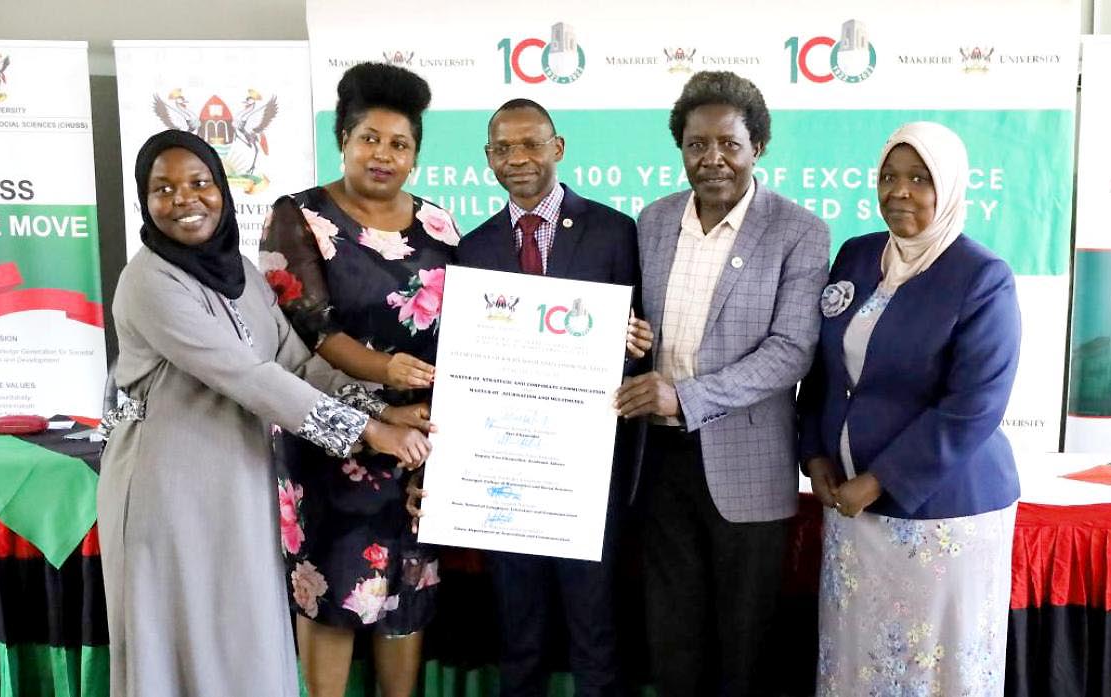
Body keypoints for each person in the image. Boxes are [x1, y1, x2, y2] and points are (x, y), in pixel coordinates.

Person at [98, 129, 430, 697]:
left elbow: (297, 363)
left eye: (200, 182)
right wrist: (369, 432)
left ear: (222, 190)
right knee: (181, 645)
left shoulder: (241, 275)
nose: (185, 198)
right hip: (169, 492)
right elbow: (248, 377)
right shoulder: (149, 281)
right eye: (164, 188)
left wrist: (384, 412)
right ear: (145, 201)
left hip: (240, 479)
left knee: (242, 639)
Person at [422, 98, 650, 697]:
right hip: (505, 473)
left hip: (585, 473)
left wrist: (634, 341)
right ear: (488, 159)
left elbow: (641, 342)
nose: (518, 158)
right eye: (503, 148)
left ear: (559, 147)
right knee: (518, 637)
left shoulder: (613, 230)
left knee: (594, 634)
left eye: (531, 144)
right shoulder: (473, 248)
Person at [613, 71, 830, 697]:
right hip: (655, 464)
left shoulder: (799, 231)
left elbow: (790, 352)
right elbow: (634, 323)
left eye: (728, 144)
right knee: (671, 639)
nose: (712, 159)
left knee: (745, 645)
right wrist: (622, 340)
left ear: (756, 146)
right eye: (696, 144)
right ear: (681, 148)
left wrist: (685, 397)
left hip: (746, 467)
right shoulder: (652, 221)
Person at [796, 121, 1021, 696]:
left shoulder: (982, 277)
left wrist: (879, 480)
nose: (900, 191)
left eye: (919, 179)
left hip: (942, 513)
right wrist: (815, 452)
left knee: (929, 668)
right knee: (858, 659)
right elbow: (823, 365)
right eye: (890, 177)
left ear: (947, 189)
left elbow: (975, 405)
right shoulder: (857, 254)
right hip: (850, 510)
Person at [258, 63, 457, 697]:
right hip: (333, 440)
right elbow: (309, 327)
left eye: (400, 144)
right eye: (369, 138)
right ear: (343, 139)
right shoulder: (298, 217)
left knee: (408, 592)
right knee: (332, 592)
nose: (383, 154)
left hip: (422, 444)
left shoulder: (439, 224)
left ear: (416, 156)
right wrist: (385, 375)